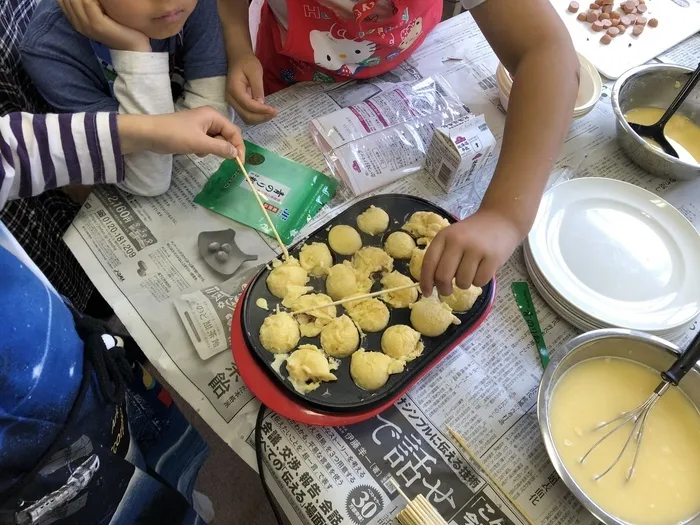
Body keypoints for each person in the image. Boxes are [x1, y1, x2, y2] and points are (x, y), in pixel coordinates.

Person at [218, 0, 579, 296]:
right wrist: (237, 45)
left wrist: (506, 215)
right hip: (288, 81)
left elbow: (548, 53)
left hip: (400, 69)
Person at [0, 106, 243, 525]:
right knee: (121, 507)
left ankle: (178, 500)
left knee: (136, 449)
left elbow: (15, 149)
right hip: (32, 473)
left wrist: (149, 130)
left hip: (80, 369)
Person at [20, 0, 230, 196]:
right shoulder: (50, 49)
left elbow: (212, 121)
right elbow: (148, 178)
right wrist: (135, 49)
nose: (167, 1)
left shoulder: (188, 7)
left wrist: (157, 145)